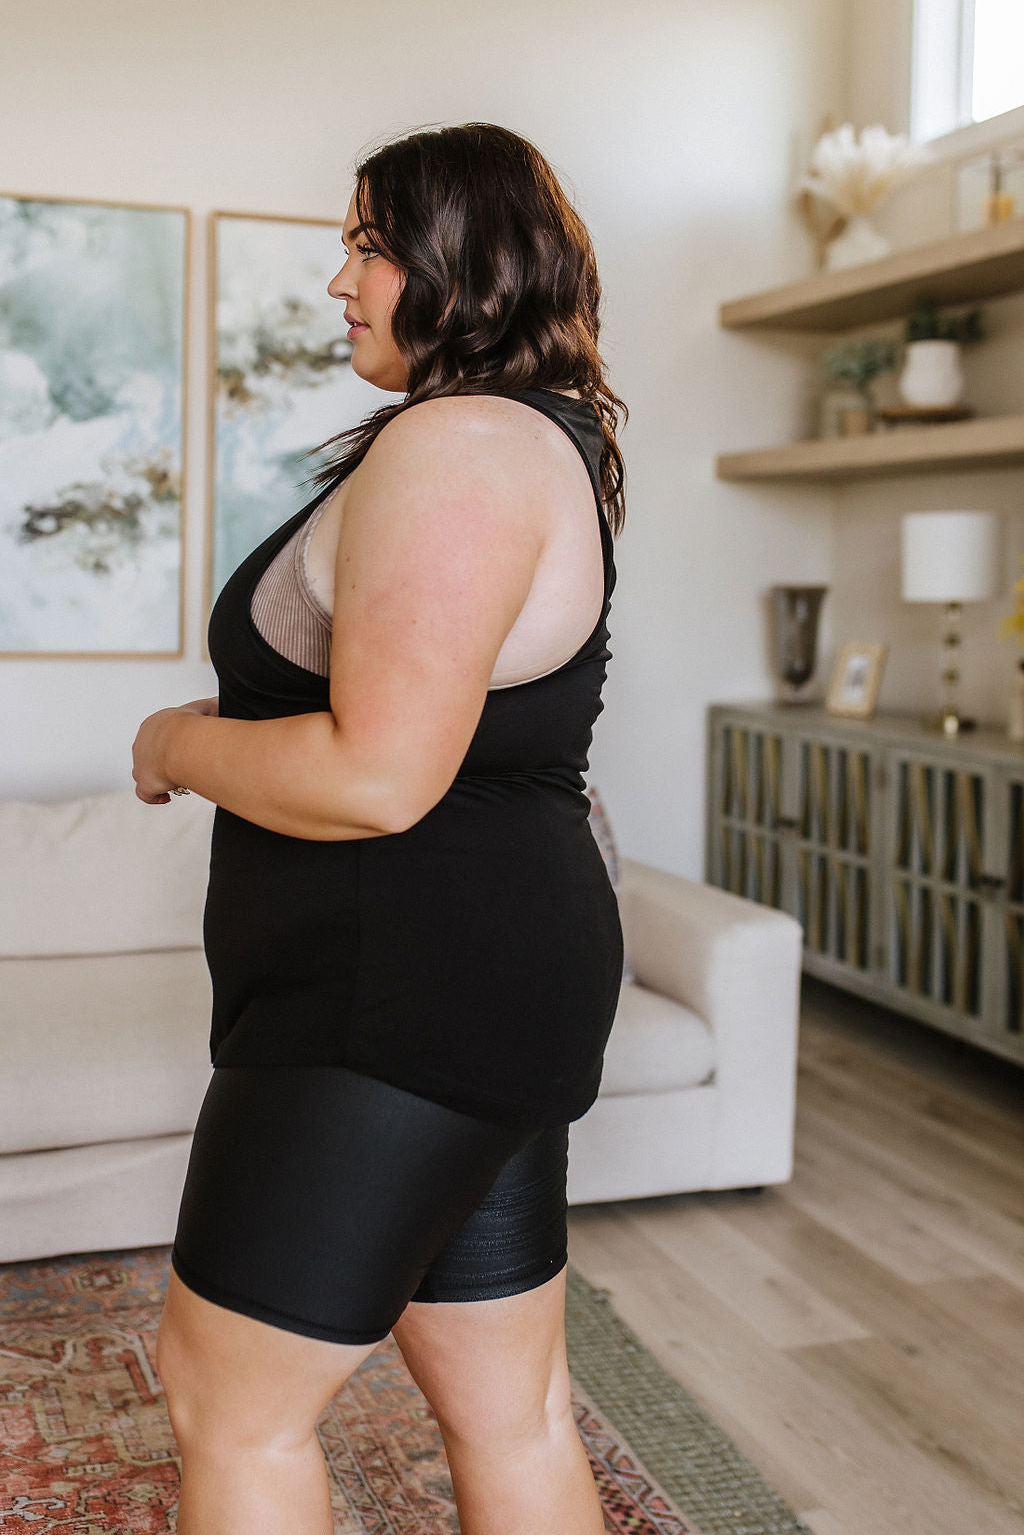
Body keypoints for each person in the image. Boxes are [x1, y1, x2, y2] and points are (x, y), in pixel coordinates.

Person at [131, 120, 627, 1535]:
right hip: (469, 982)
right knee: (511, 1409)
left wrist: (174, 745)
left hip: (397, 1003)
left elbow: (379, 778)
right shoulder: (523, 437)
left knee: (231, 1408)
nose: (341, 281)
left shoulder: (459, 444)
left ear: (466, 260)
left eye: (369, 244)